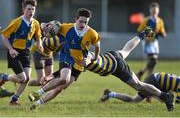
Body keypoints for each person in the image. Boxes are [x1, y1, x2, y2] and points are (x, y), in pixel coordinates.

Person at [29, 26, 174, 111]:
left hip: (115, 66)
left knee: (138, 85)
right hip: (111, 56)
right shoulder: (76, 56)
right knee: (125, 50)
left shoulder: (81, 57)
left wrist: (52, 76)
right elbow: (67, 72)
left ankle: (164, 96)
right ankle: (142, 34)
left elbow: (70, 69)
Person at [28, 8, 101, 102]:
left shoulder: (92, 33)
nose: (83, 24)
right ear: (76, 19)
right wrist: (45, 27)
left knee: (60, 88)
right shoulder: (66, 27)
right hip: (66, 55)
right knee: (64, 78)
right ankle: (38, 93)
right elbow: (48, 27)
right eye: (81, 21)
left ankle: (37, 104)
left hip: (79, 62)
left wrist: (95, 57)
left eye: (85, 22)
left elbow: (97, 46)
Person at [0, 0, 43, 105]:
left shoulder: (35, 23)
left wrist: (40, 45)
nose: (31, 12)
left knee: (27, 79)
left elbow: (38, 37)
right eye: (29, 9)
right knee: (21, 78)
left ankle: (14, 100)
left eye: (33, 9)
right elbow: (4, 35)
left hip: (26, 53)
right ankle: (4, 77)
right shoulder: (17, 22)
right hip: (15, 52)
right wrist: (10, 49)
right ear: (23, 9)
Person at [100, 72, 179, 104]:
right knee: (135, 100)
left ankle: (110, 94)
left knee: (166, 99)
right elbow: (178, 102)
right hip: (154, 81)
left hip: (156, 79)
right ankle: (110, 94)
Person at [136, 2, 167, 80]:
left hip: (155, 42)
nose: (154, 12)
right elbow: (139, 30)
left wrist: (163, 34)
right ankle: (141, 73)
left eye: (155, 11)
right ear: (150, 11)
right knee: (153, 60)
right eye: (152, 11)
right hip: (148, 43)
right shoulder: (147, 20)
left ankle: (148, 79)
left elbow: (162, 31)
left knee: (153, 63)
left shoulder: (160, 21)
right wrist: (145, 36)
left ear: (158, 11)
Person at [28, 21, 62, 86]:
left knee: (48, 79)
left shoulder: (59, 37)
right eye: (44, 30)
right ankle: (23, 82)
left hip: (49, 56)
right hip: (39, 55)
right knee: (41, 81)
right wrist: (27, 57)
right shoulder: (44, 41)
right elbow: (33, 47)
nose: (45, 32)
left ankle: (39, 93)